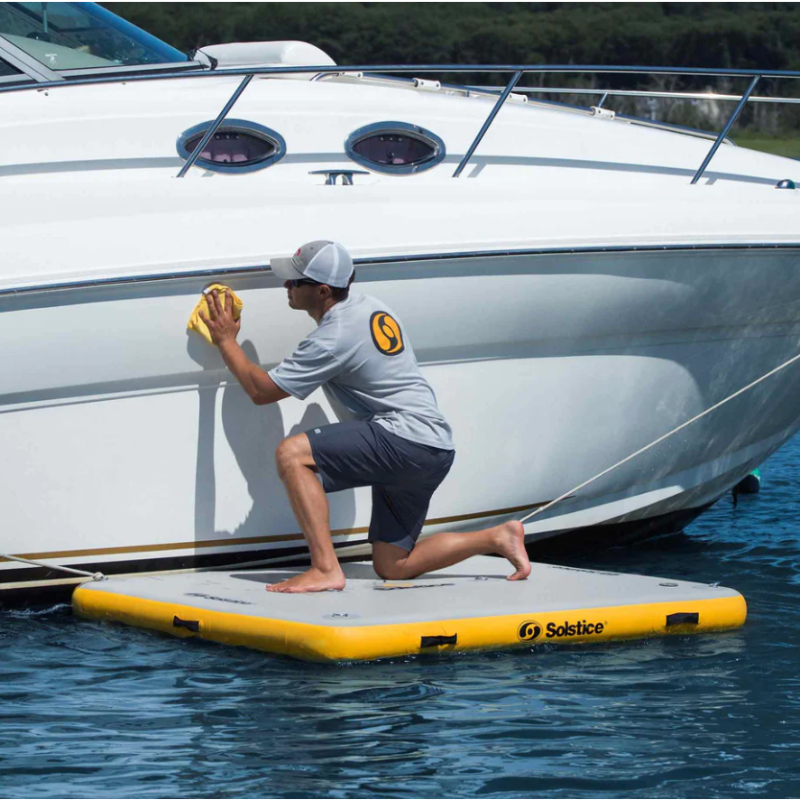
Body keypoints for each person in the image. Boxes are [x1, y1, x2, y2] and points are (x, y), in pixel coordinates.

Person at [200, 240, 530, 593]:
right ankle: (497, 537)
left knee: (291, 455)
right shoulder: (371, 307)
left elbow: (261, 391)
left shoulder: (334, 335)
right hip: (433, 447)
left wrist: (225, 340)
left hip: (403, 439)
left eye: (295, 282)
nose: (286, 286)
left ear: (323, 291)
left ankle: (326, 569)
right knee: (394, 566)